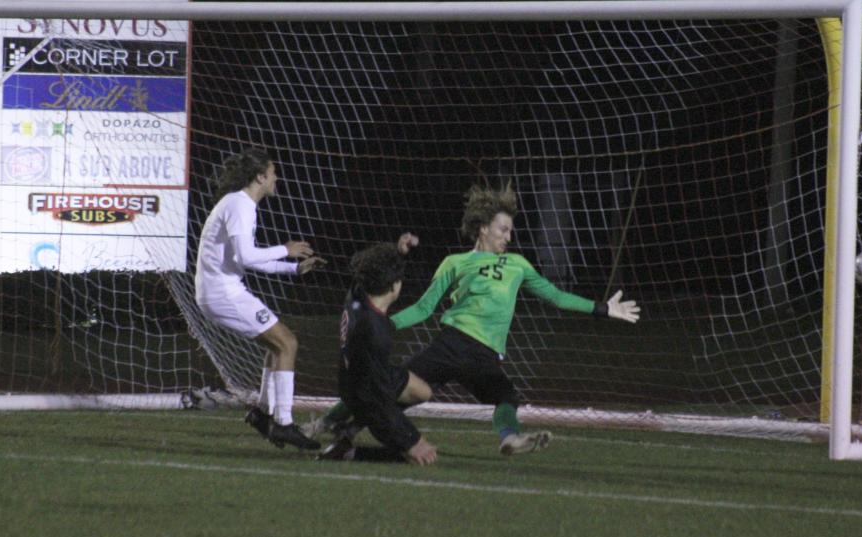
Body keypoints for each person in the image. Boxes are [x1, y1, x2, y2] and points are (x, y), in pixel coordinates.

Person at [308, 182, 640, 456]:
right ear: (483, 229)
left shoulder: (519, 265)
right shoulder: (454, 262)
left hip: (477, 353)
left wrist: (603, 308)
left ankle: (508, 440)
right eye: (503, 229)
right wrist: (383, 325)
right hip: (453, 344)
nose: (508, 237)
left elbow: (555, 296)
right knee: (392, 387)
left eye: (510, 231)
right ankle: (329, 425)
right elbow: (425, 308)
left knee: (499, 395)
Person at [195, 147, 325, 450]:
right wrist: (286, 249)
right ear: (260, 176)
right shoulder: (240, 205)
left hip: (221, 289)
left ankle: (265, 416)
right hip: (222, 291)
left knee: (275, 346)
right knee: (288, 343)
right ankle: (284, 423)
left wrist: (294, 268)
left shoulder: (238, 204)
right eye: (273, 172)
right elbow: (247, 256)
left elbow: (247, 258)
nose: (276, 177)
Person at [319, 236, 438, 465]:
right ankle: (348, 452)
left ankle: (344, 425)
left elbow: (373, 267)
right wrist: (412, 439)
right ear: (394, 286)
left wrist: (398, 252)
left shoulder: (358, 294)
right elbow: (379, 402)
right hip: (364, 392)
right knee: (419, 457)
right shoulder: (375, 332)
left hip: (355, 375)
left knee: (422, 391)